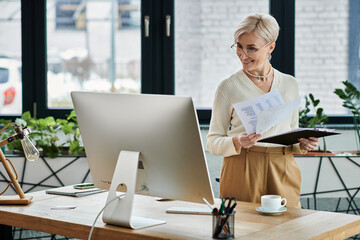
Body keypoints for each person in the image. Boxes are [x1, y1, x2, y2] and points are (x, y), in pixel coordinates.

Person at [206, 13, 319, 208]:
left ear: (271, 47)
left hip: (282, 167)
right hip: (242, 166)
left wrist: (303, 144)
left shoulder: (290, 84)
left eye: (252, 48)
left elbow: (292, 133)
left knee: (287, 231)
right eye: (239, 46)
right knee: (242, 229)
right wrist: (237, 141)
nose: (243, 54)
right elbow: (213, 142)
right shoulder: (228, 87)